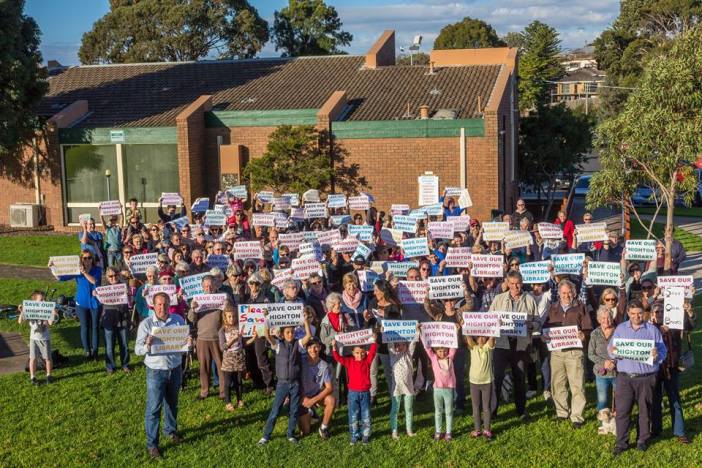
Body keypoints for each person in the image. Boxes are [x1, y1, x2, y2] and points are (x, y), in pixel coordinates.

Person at [135, 292, 192, 459]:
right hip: (155, 370)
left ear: (170, 304)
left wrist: (188, 343)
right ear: (153, 305)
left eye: (165, 304)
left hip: (175, 368)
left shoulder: (178, 320)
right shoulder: (146, 324)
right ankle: (152, 444)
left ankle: (171, 430)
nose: (162, 307)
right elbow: (137, 351)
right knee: (154, 408)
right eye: (159, 304)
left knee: (172, 403)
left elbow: (183, 345)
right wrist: (147, 345)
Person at [608, 300, 667, 456]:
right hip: (625, 378)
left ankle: (642, 440)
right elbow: (611, 349)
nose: (636, 316)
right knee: (622, 411)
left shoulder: (652, 330)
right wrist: (613, 351)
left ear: (644, 313)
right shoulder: (620, 329)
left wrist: (657, 355)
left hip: (646, 377)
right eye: (633, 313)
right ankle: (621, 443)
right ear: (628, 313)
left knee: (645, 410)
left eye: (639, 313)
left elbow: (663, 351)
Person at [488, 271, 538, 420]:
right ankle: (492, 411)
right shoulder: (499, 299)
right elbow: (490, 318)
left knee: (520, 378)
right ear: (507, 283)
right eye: (512, 283)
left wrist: (531, 325)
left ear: (522, 282)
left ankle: (521, 410)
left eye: (518, 283)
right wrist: (495, 323)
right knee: (497, 377)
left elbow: (538, 323)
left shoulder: (529, 299)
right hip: (501, 343)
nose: (515, 286)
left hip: (521, 345)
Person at [544, 279, 592, 428]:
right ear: (559, 293)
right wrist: (544, 335)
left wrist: (584, 335)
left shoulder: (581, 307)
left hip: (574, 352)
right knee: (558, 383)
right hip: (557, 352)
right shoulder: (553, 308)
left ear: (574, 292)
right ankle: (562, 412)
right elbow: (545, 326)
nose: (566, 295)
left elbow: (588, 328)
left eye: (569, 292)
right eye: (563, 293)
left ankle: (577, 416)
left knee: (577, 384)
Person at [258, 318, 313, 445]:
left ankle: (290, 434)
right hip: (282, 383)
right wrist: (267, 319)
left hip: (295, 383)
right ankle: (266, 435)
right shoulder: (278, 344)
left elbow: (309, 335)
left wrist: (305, 321)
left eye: (292, 332)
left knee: (294, 410)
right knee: (275, 410)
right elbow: (267, 334)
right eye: (287, 332)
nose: (290, 334)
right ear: (282, 334)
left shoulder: (297, 344)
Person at [650, 299, 695, 444]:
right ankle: (656, 430)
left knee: (674, 399)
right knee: (655, 400)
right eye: (657, 312)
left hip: (671, 367)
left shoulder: (674, 325)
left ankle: (680, 432)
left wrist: (689, 312)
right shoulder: (647, 328)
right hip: (654, 369)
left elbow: (690, 326)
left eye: (663, 311)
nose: (660, 314)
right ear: (652, 314)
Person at [54, 250, 102, 361]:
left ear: (92, 259)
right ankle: (87, 351)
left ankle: (95, 351)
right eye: (85, 258)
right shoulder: (76, 271)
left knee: (95, 327)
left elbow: (94, 281)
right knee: (84, 327)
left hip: (95, 303)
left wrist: (84, 272)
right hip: (81, 304)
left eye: (89, 257)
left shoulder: (97, 270)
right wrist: (53, 268)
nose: (87, 260)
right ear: (81, 259)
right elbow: (60, 278)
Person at [331, 337, 378, 445]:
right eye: (357, 353)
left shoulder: (367, 361)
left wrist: (374, 342)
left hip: (365, 393)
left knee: (366, 414)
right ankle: (354, 435)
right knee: (353, 415)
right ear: (353, 353)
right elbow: (338, 358)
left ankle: (365, 435)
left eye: (362, 353)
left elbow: (372, 352)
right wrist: (334, 347)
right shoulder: (349, 362)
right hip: (353, 394)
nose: (360, 355)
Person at [187, 275, 224, 400]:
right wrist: (192, 309)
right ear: (202, 287)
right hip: (202, 337)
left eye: (211, 285)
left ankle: (223, 392)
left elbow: (230, 315)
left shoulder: (222, 298)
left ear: (215, 285)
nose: (208, 288)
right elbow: (191, 319)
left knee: (221, 365)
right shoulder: (197, 300)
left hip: (218, 337)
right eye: (206, 286)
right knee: (204, 366)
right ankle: (204, 391)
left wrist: (226, 305)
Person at [219, 305, 255, 412]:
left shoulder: (240, 327)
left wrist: (253, 338)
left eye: (234, 316)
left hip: (239, 357)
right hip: (228, 359)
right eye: (229, 317)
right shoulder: (222, 330)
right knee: (227, 382)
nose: (232, 319)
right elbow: (223, 347)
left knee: (239, 381)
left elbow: (244, 343)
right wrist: (233, 340)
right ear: (225, 317)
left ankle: (240, 400)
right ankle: (228, 402)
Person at [18, 291, 58, 385]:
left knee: (47, 358)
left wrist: (53, 314)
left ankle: (49, 375)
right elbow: (20, 321)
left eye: (44, 299)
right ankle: (33, 377)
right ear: (34, 301)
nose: (43, 301)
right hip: (34, 339)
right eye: (41, 299)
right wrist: (22, 311)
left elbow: (50, 323)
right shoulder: (30, 309)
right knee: (33, 358)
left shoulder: (47, 310)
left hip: (45, 338)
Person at [298, 338, 335, 439]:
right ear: (306, 349)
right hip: (302, 396)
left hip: (315, 394)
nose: (313, 350)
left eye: (315, 347)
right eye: (309, 347)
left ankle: (323, 427)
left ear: (320, 348)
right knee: (305, 431)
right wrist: (302, 397)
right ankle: (310, 412)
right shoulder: (301, 360)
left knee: (331, 400)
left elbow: (329, 388)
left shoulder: (324, 365)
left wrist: (314, 400)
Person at [588, 306, 617, 434]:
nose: (606, 320)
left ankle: (618, 423)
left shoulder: (619, 332)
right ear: (599, 319)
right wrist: (603, 362)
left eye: (609, 317)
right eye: (603, 318)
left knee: (619, 399)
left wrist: (614, 362)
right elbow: (591, 354)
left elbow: (624, 350)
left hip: (617, 372)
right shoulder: (594, 334)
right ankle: (604, 425)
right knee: (602, 399)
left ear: (612, 318)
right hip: (601, 372)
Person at [97, 266, 131, 374]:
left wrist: (129, 294)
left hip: (123, 317)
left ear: (119, 275)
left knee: (124, 344)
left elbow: (130, 302)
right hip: (109, 319)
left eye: (115, 275)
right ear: (107, 277)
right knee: (109, 345)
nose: (113, 278)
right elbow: (99, 302)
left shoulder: (124, 285)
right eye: (110, 276)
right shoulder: (103, 288)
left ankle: (125, 364)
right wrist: (96, 295)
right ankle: (110, 366)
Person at [423, 338, 457, 442]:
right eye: (440, 351)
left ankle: (448, 432)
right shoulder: (433, 358)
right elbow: (427, 348)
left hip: (449, 389)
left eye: (445, 351)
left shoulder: (450, 357)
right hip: (437, 389)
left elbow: (454, 346)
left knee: (449, 411)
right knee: (438, 411)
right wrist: (421, 334)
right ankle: (438, 431)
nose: (443, 353)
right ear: (436, 351)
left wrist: (455, 331)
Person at [466, 333, 496, 440]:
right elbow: (468, 339)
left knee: (486, 407)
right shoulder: (473, 347)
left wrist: (494, 331)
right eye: (479, 336)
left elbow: (492, 341)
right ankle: (477, 429)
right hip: (474, 382)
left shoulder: (488, 347)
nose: (481, 339)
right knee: (475, 407)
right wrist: (466, 329)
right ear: (475, 338)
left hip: (487, 382)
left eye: (484, 336)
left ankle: (487, 429)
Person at [387, 336, 417, 439]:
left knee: (409, 409)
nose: (399, 347)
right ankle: (394, 431)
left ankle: (409, 430)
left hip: (408, 387)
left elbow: (413, 343)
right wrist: (385, 333)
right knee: (395, 409)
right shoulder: (393, 355)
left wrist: (416, 332)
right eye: (396, 345)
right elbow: (389, 343)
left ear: (405, 345)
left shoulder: (408, 355)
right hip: (397, 388)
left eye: (401, 345)